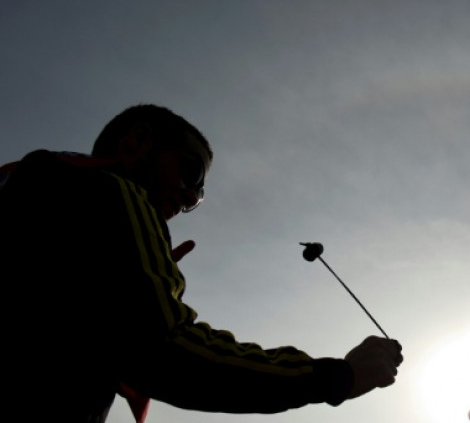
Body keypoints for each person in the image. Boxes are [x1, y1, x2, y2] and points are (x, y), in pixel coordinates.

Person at [0, 104, 403, 422]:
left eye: (199, 195)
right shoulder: (115, 191)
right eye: (191, 173)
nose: (190, 198)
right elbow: (165, 350)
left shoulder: (30, 184)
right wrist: (337, 377)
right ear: (138, 141)